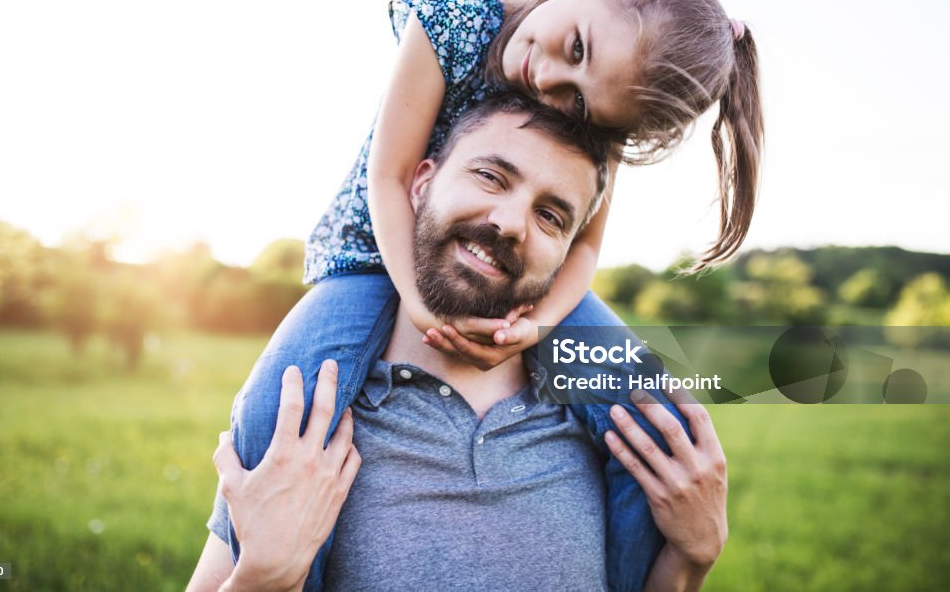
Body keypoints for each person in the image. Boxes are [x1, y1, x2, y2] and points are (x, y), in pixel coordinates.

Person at [188, 94, 728, 591]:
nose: (511, 222)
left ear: (568, 258)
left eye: (551, 216)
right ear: (420, 183)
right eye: (491, 176)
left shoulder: (611, 432)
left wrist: (691, 559)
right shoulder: (304, 439)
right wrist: (261, 575)